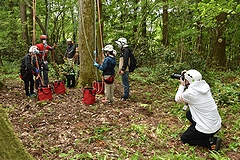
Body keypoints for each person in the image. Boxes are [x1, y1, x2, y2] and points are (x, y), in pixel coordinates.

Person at [175, 69, 222, 151]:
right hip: (216, 125)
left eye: (185, 80)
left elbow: (177, 99)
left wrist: (182, 85)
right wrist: (187, 75)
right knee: (189, 114)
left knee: (185, 138)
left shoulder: (189, 93)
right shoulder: (205, 86)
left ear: (188, 81)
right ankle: (199, 130)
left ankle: (211, 142)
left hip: (207, 129)